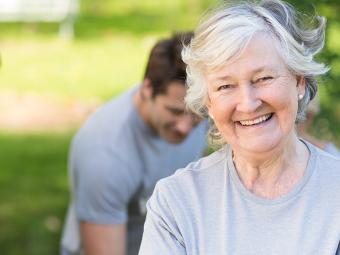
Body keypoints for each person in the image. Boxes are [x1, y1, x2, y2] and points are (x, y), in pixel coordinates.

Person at [139, 1, 340, 254]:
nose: (248, 103)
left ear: (299, 82)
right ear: (209, 103)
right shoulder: (177, 203)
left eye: (263, 78)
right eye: (225, 86)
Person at [61, 32, 207, 255]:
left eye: (196, 112)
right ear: (147, 89)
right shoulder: (106, 154)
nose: (185, 127)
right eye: (174, 112)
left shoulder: (203, 111)